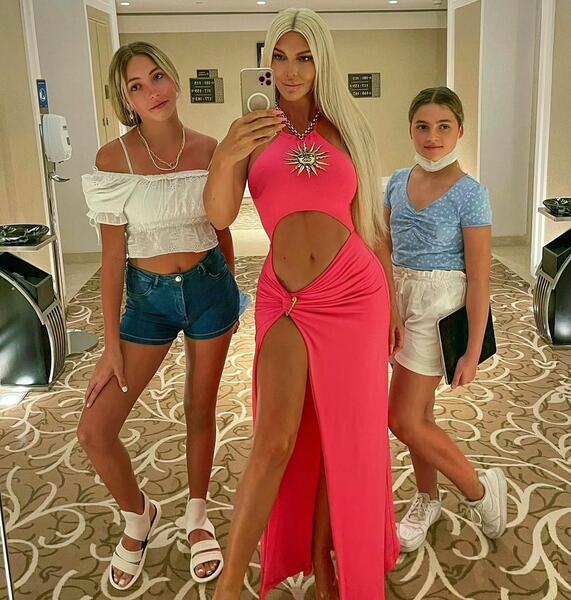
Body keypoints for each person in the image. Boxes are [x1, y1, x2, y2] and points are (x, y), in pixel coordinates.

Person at [204, 8, 401, 600]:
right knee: (274, 442)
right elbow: (219, 215)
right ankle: (230, 586)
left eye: (305, 57)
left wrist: (392, 303)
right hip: (286, 299)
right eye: (280, 57)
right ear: (267, 62)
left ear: (322, 62)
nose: (291, 71)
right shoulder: (250, 131)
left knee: (344, 436)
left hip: (357, 294)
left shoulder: (347, 127)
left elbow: (373, 225)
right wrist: (227, 153)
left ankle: (324, 557)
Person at [78, 41, 242, 590]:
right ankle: (138, 516)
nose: (152, 91)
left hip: (209, 288)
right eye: (137, 86)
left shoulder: (210, 149)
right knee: (95, 429)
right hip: (147, 300)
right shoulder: (112, 160)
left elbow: (221, 229)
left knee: (200, 407)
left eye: (157, 76)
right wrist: (109, 345)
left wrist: (232, 290)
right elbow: (111, 260)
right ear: (125, 100)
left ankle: (197, 513)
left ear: (173, 78)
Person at [385, 86, 507, 553]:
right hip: (399, 300)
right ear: (410, 130)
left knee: (402, 419)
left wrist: (473, 350)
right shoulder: (396, 182)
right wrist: (389, 307)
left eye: (443, 126)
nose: (432, 136)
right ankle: (427, 497)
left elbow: (479, 278)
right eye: (422, 126)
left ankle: (478, 490)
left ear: (460, 131)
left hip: (438, 308)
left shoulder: (471, 195)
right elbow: (383, 248)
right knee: (420, 414)